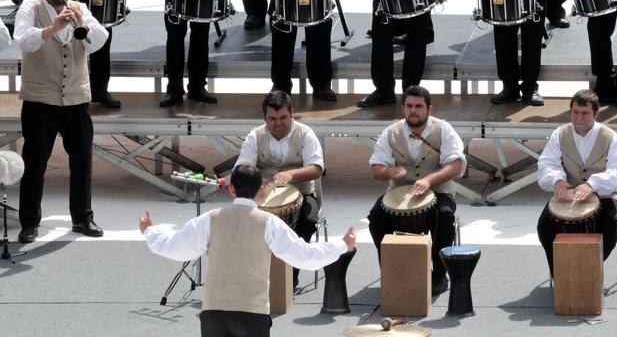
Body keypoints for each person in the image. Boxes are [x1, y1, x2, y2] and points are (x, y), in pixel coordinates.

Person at [141, 165, 356, 336]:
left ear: (231, 188)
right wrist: (341, 245)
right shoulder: (269, 223)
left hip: (213, 313)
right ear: (261, 190)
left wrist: (150, 231)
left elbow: (177, 248)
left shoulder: (209, 219)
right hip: (251, 314)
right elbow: (305, 257)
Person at [14, 0, 109, 243]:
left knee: (82, 161)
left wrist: (81, 22)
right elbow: (24, 40)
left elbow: (100, 40)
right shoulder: (29, 9)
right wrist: (53, 27)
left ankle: (82, 219)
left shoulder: (79, 7)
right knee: (35, 163)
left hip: (76, 98)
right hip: (40, 99)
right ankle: (30, 223)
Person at [367, 85, 466, 296]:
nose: (414, 110)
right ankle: (393, 271)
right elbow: (376, 169)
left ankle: (439, 275)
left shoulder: (443, 129)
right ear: (402, 109)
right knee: (376, 217)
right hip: (399, 193)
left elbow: (455, 165)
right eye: (409, 106)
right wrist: (389, 171)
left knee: (444, 215)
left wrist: (429, 180)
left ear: (429, 109)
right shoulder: (390, 132)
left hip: (439, 191)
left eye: (419, 106)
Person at [235, 90, 323, 287]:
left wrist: (292, 175)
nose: (278, 123)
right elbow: (240, 167)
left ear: (292, 112)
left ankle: (289, 278)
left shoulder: (306, 133)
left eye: (283, 117)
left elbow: (316, 168)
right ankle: (253, 276)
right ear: (264, 117)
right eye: (272, 119)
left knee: (307, 222)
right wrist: (256, 178)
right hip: (263, 197)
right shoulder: (255, 136)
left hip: (302, 193)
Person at [536, 89, 617, 276]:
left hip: (605, 195)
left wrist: (592, 184)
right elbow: (547, 163)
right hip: (568, 196)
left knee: (609, 225)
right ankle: (561, 275)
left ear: (596, 113)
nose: (579, 118)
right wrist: (557, 179)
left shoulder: (611, 137)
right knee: (544, 226)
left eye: (585, 113)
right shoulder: (560, 134)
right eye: (575, 112)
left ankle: (587, 272)